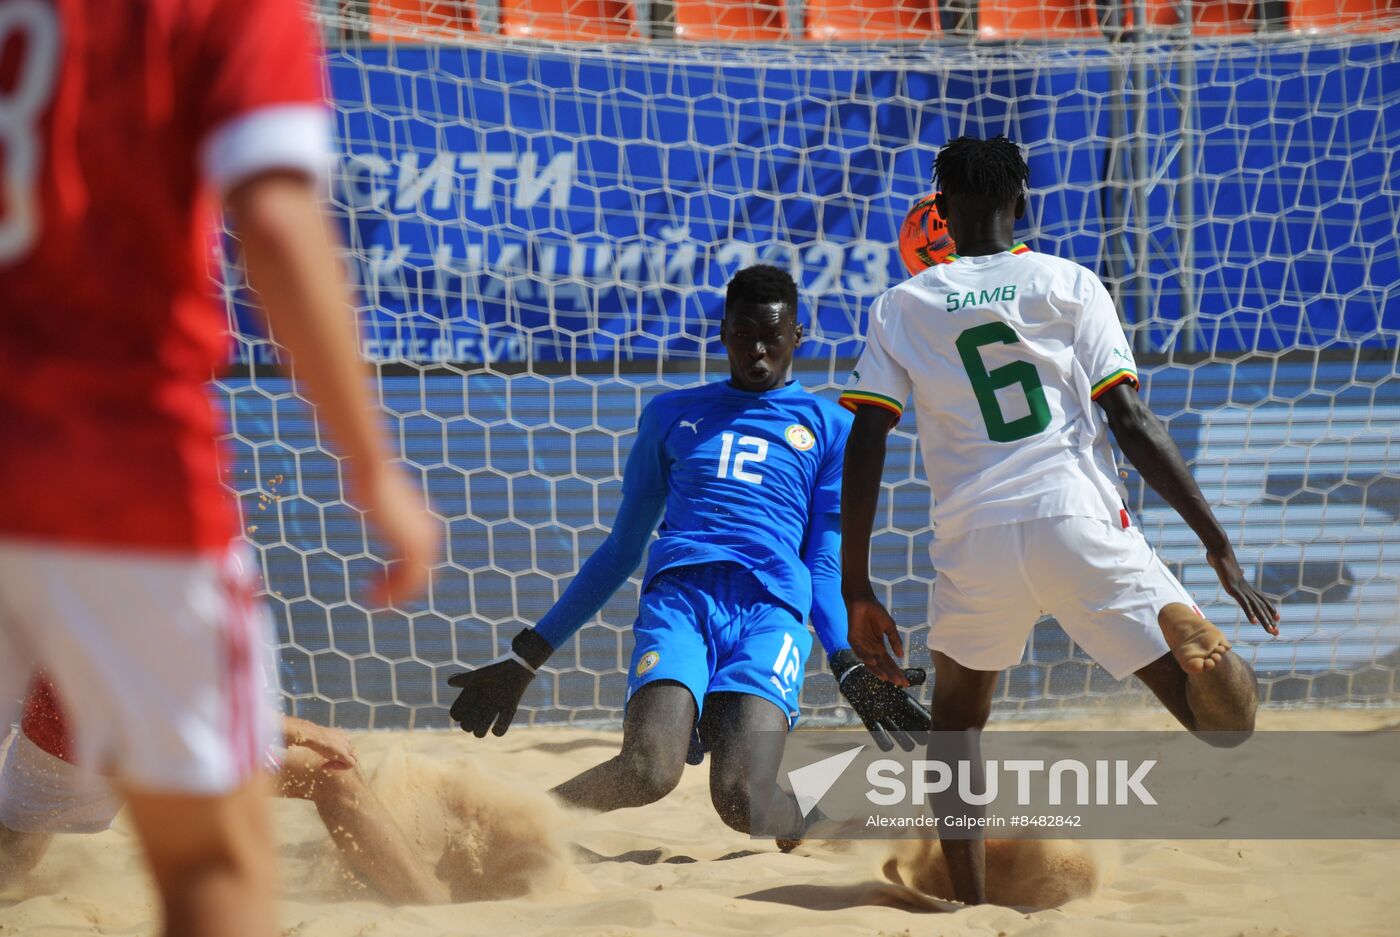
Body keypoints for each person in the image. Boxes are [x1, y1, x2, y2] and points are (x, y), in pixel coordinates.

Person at [0, 2, 436, 934]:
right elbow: (277, 224)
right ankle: (449, 916)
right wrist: (376, 473)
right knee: (258, 831)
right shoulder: (220, 16)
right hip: (111, 478)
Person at [839, 135, 1280, 905]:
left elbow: (867, 440)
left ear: (939, 214)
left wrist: (856, 587)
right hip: (1075, 515)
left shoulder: (902, 305)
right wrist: (1217, 544)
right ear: (1024, 206)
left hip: (974, 537)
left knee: (956, 727)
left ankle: (969, 905)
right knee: (1225, 726)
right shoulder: (1070, 282)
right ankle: (1210, 650)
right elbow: (1132, 420)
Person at [447, 265, 929, 839]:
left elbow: (822, 564)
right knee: (648, 771)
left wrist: (847, 663)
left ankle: (855, 820)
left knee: (741, 798)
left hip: (769, 615)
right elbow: (622, 549)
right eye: (744, 334)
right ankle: (505, 833)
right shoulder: (670, 415)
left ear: (797, 336)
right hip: (682, 604)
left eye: (772, 339)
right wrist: (529, 656)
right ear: (722, 330)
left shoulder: (830, 427)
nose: (757, 352)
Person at [0, 676, 448, 905]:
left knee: (330, 774)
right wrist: (298, 728)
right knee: (12, 858)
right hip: (82, 747)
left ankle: (432, 913)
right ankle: (429, 908)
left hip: (78, 747)